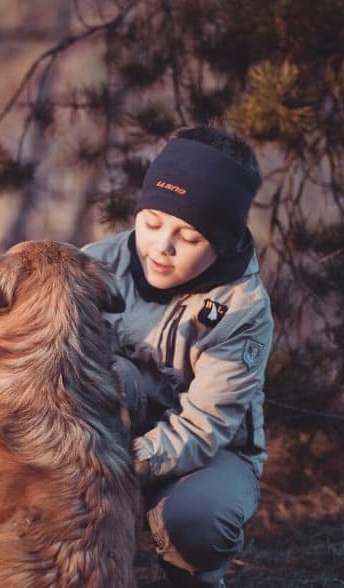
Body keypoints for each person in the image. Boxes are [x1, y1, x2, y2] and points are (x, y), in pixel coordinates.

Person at [83, 126, 273, 588]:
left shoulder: (241, 310)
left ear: (224, 242)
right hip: (100, 440)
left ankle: (193, 577)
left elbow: (203, 428)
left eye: (187, 237)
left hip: (207, 455)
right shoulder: (93, 265)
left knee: (197, 522)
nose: (161, 247)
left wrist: (113, 465)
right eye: (150, 223)